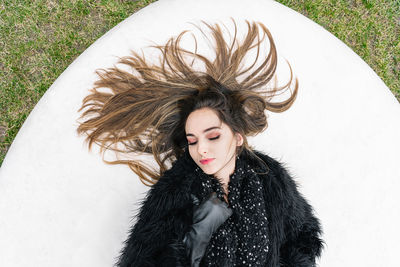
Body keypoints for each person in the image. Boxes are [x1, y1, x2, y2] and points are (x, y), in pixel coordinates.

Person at [77, 20, 324, 266]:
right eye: (192, 141)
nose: (201, 149)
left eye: (213, 136)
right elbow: (138, 261)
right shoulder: (175, 194)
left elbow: (304, 238)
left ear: (237, 137)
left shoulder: (269, 178)